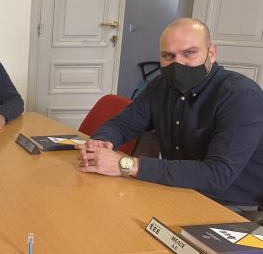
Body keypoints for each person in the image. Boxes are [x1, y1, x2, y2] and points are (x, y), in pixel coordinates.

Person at [77, 18, 263, 210]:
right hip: (175, 187)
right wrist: (100, 144)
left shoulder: (241, 96)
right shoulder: (161, 86)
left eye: (189, 53)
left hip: (231, 206)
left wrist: (126, 164)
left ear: (211, 53)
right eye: (168, 56)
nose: (178, 63)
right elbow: (121, 125)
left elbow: (217, 175)